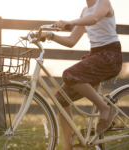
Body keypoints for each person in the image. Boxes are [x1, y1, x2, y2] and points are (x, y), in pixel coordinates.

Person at [38, 0, 122, 150]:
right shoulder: (85, 11)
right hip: (95, 56)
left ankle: (105, 109)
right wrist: (50, 35)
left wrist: (69, 22)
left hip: (110, 56)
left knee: (69, 74)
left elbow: (95, 18)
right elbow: (71, 41)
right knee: (61, 99)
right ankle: (67, 147)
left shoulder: (103, 3)